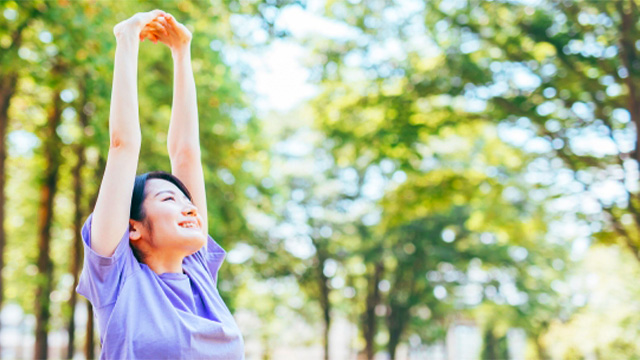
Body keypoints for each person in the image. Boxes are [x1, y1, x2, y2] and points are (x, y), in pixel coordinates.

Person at [76, 10, 244, 359]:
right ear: (133, 228)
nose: (190, 207)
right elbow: (123, 145)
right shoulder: (117, 280)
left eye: (188, 201)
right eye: (170, 198)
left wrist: (182, 53)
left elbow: (186, 154)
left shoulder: (198, 272)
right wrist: (127, 39)